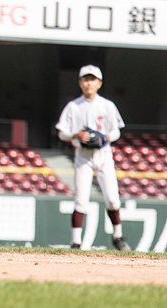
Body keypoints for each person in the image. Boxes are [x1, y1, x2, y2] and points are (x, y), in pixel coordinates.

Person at [56, 64, 131, 251]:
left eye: (93, 79)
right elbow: (61, 133)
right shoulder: (73, 107)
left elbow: (116, 131)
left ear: (99, 83)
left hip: (104, 154)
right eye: (86, 79)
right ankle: (75, 242)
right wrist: (75, 136)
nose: (89, 83)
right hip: (82, 155)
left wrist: (105, 137)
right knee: (81, 199)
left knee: (112, 199)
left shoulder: (107, 105)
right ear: (80, 83)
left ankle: (118, 235)